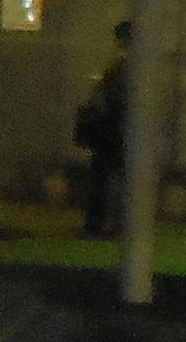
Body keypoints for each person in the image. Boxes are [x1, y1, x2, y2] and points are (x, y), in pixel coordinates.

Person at [72, 19, 130, 237]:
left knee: (103, 177)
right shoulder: (130, 65)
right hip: (121, 129)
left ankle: (98, 224)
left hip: (111, 129)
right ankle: (113, 224)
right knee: (117, 177)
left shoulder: (120, 65)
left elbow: (108, 96)